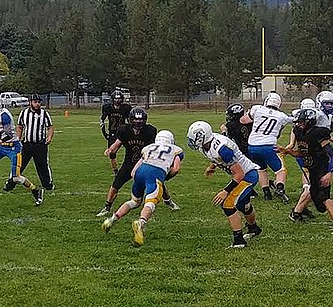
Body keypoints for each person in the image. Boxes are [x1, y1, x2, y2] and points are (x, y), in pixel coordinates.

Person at [187, 120, 263, 248]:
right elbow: (215, 157)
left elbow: (239, 174)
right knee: (242, 204)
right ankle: (254, 228)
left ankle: (239, 240)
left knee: (227, 204)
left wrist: (225, 191)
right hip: (243, 174)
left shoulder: (222, 149)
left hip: (248, 175)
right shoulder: (206, 144)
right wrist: (211, 166)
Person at [102, 129, 184, 247]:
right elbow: (175, 169)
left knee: (134, 201)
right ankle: (140, 223)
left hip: (140, 171)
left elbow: (134, 170)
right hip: (155, 173)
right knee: (151, 203)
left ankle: (111, 220)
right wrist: (164, 176)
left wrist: (139, 177)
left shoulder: (148, 148)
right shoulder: (176, 150)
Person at [278, 108, 333, 235]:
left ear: (309, 122)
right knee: (321, 206)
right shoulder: (299, 133)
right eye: (298, 123)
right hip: (312, 169)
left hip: (322, 168)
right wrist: (286, 151)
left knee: (324, 198)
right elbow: (300, 153)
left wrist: (329, 172)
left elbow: (332, 155)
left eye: (301, 122)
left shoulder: (319, 133)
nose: (298, 125)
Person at [97, 107, 177, 216]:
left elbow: (154, 148)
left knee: (159, 184)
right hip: (129, 163)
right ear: (130, 120)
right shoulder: (124, 130)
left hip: (145, 163)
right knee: (115, 185)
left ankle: (169, 202)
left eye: (140, 120)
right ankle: (107, 207)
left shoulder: (149, 131)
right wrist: (110, 149)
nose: (138, 122)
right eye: (135, 120)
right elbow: (117, 144)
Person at [240, 92, 293, 202]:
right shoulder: (282, 116)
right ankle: (280, 188)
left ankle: (266, 193)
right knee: (280, 170)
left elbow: (244, 120)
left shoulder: (257, 108)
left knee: (261, 170)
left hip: (252, 146)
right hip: (268, 146)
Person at [17, 93, 55, 191]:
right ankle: (10, 182)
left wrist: (49, 137)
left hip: (40, 144)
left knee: (42, 165)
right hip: (27, 144)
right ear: (31, 103)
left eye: (39, 102)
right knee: (19, 164)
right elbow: (20, 127)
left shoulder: (44, 113)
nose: (37, 104)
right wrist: (18, 139)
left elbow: (50, 127)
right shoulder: (24, 113)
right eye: (35, 102)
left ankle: (47, 184)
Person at [100, 91, 131, 173]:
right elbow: (102, 121)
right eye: (116, 99)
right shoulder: (107, 108)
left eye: (119, 99)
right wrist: (105, 134)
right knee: (112, 153)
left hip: (123, 132)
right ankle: (115, 171)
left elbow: (129, 121)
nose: (117, 101)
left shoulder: (126, 108)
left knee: (131, 149)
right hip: (113, 132)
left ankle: (131, 165)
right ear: (112, 99)